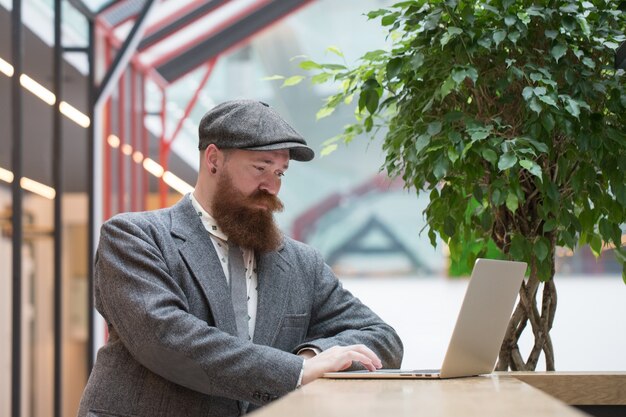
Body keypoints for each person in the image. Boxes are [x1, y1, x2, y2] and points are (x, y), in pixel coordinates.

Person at [78, 100, 403, 417]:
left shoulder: (303, 264)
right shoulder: (134, 237)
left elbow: (382, 338)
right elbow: (165, 338)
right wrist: (298, 370)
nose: (272, 186)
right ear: (214, 159)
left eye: (280, 173)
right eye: (260, 168)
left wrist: (312, 353)